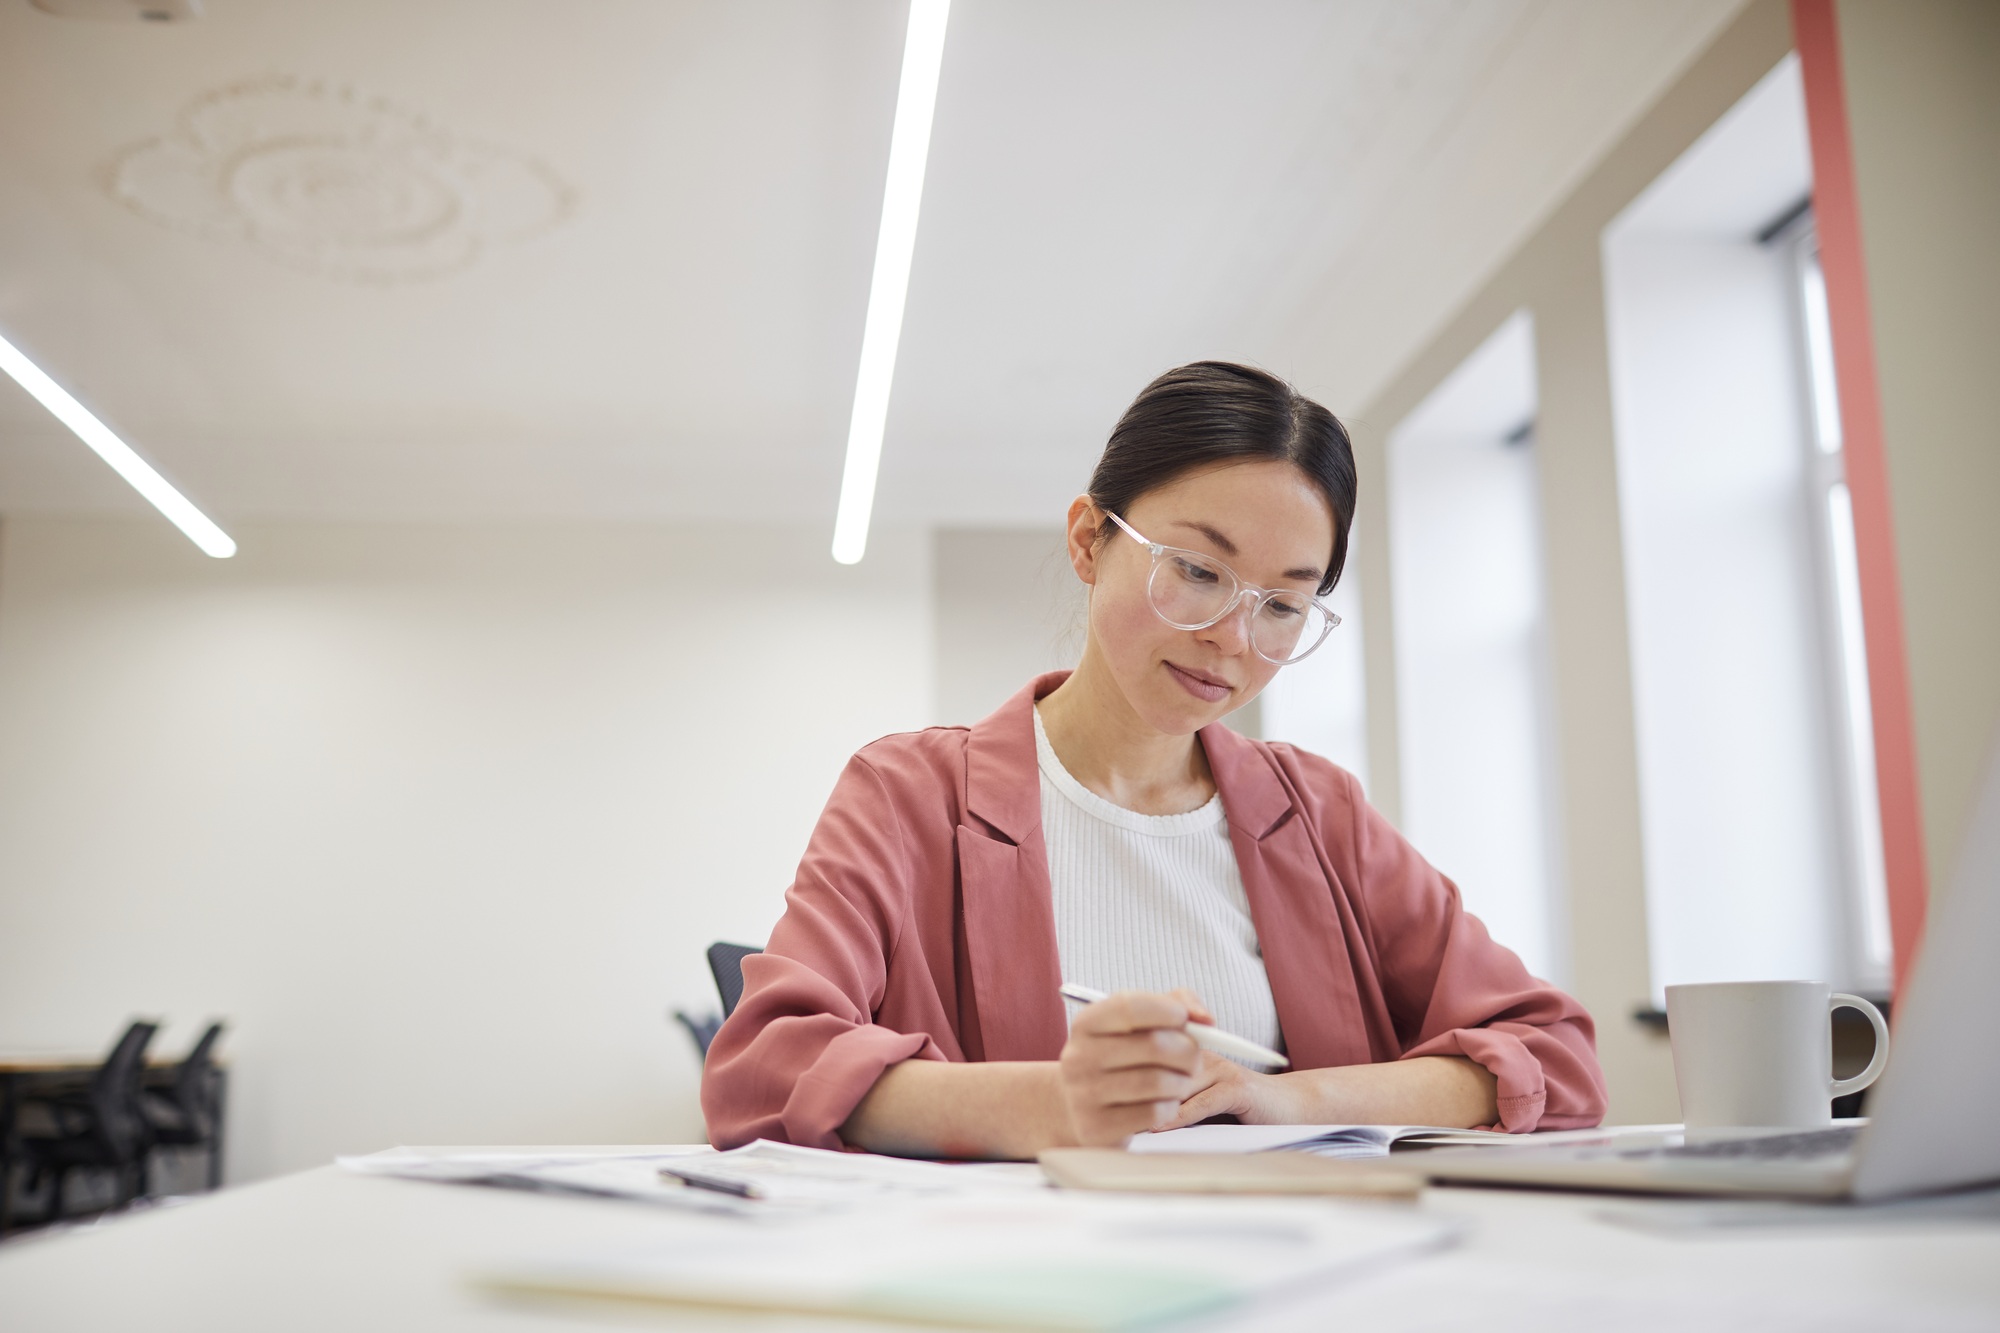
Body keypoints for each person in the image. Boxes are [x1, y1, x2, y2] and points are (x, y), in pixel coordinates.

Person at [702, 361, 1607, 1158]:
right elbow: (765, 1069)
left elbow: (1554, 1054)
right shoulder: (909, 795)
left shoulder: (1319, 812)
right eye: (1197, 569)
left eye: (1282, 606)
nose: (1229, 639)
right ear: (1089, 540)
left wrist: (1286, 1098)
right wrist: (1055, 1102)